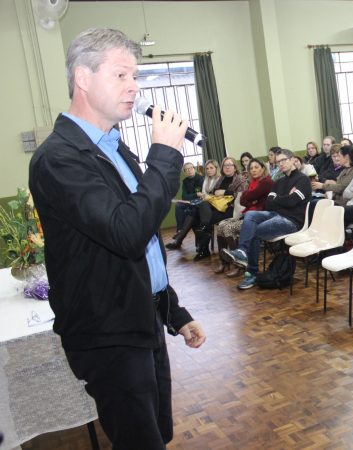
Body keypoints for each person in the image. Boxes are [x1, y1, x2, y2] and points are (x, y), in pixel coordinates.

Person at [28, 28, 205, 450]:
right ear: (83, 78)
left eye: (136, 77)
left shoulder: (114, 146)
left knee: (158, 434)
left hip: (142, 319)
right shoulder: (58, 158)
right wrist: (165, 156)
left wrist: (174, 312)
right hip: (108, 334)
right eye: (122, 76)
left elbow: (142, 241)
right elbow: (125, 233)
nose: (135, 88)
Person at [224, 148, 312, 290]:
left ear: (292, 160)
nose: (281, 164)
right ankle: (242, 252)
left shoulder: (303, 180)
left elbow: (292, 202)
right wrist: (284, 199)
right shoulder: (278, 181)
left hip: (292, 221)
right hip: (275, 214)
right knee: (250, 215)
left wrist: (278, 199)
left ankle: (251, 273)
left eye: (283, 160)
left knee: (255, 230)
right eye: (278, 162)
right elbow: (269, 203)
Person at [214, 159, 273, 276]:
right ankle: (224, 262)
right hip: (246, 214)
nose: (254, 170)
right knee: (220, 226)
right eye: (251, 168)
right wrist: (250, 199)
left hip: (258, 217)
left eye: (256, 167)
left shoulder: (266, 182)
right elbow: (243, 200)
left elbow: (249, 197)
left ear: (263, 168)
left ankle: (240, 264)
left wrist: (249, 198)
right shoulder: (252, 182)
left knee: (228, 228)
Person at [192, 156, 246, 261]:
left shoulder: (240, 179)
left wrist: (225, 192)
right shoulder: (222, 178)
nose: (227, 167)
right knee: (201, 209)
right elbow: (213, 193)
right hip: (218, 206)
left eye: (230, 165)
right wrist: (216, 193)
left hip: (231, 209)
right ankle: (206, 248)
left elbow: (243, 196)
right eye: (225, 165)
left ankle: (204, 250)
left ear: (235, 167)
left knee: (201, 219)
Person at [172, 162, 203, 240]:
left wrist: (193, 196)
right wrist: (196, 194)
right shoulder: (185, 181)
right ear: (184, 172)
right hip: (190, 202)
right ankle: (179, 230)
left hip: (200, 203)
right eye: (186, 169)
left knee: (189, 213)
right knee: (178, 205)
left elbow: (202, 195)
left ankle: (180, 238)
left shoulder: (200, 178)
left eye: (191, 168)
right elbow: (184, 197)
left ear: (194, 169)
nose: (189, 170)